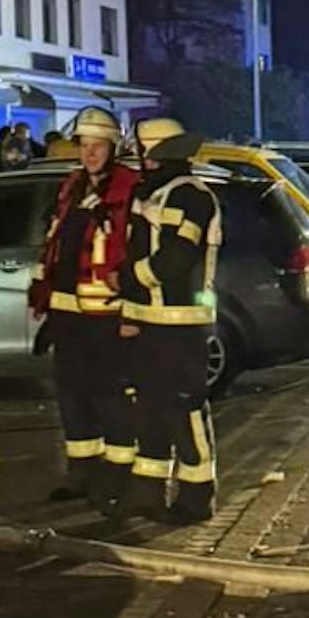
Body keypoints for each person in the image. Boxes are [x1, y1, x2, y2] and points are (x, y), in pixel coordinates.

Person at [29, 107, 138, 509]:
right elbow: (57, 245)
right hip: (66, 310)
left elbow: (133, 251)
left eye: (98, 146)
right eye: (84, 146)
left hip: (107, 312)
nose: (90, 153)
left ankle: (119, 474)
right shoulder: (72, 186)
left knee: (109, 393)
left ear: (113, 148)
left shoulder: (129, 188)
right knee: (71, 393)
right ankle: (82, 471)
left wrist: (131, 313)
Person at [116, 117, 222, 523]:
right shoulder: (153, 192)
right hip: (149, 322)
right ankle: (147, 492)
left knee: (184, 410)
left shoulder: (190, 195)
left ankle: (196, 498)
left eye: (145, 150)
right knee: (148, 410)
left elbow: (178, 255)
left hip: (182, 326)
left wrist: (130, 278)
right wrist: (130, 310)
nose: (141, 158)